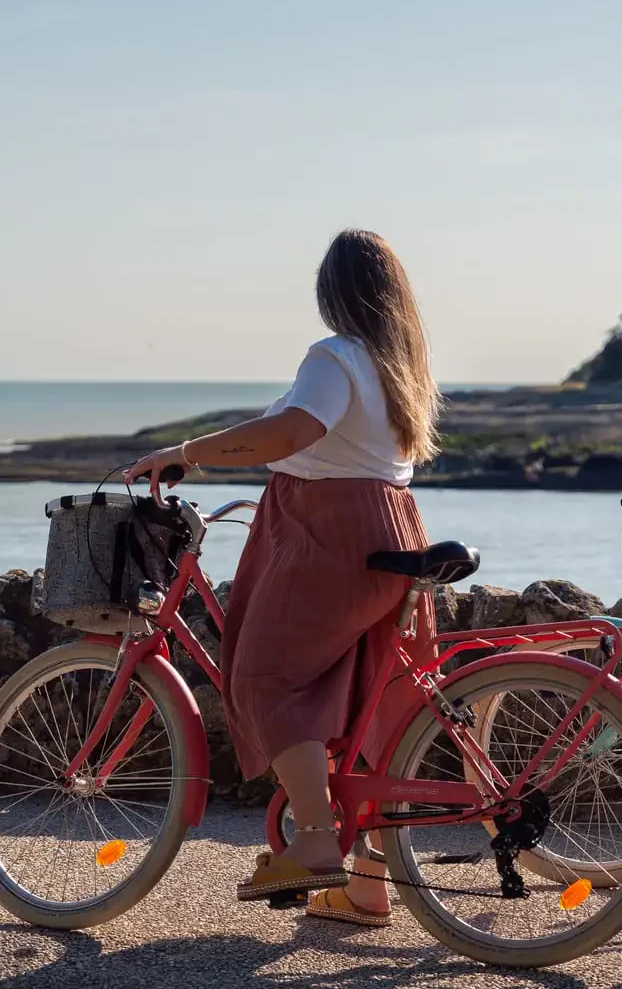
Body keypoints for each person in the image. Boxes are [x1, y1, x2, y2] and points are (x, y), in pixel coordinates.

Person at [125, 229, 440, 927]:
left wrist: (186, 452)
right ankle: (366, 889)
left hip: (330, 535)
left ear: (331, 292)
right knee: (374, 719)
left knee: (264, 675)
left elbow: (291, 432)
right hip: (392, 528)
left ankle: (316, 843)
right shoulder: (399, 370)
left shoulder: (334, 356)